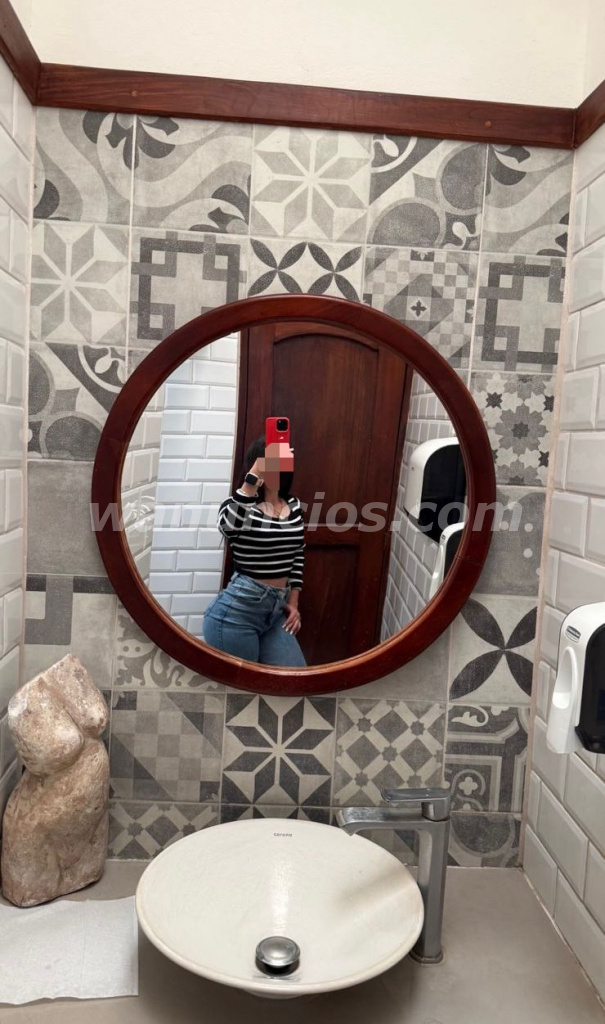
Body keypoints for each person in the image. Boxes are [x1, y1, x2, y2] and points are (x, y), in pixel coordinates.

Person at [202, 435, 306, 667]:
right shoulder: (240, 505)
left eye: (280, 460)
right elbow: (228, 528)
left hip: (275, 614)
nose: (275, 467)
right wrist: (255, 475)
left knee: (295, 676)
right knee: (242, 687)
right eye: (270, 461)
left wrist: (294, 603)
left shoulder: (294, 506)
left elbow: (298, 554)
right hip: (235, 615)